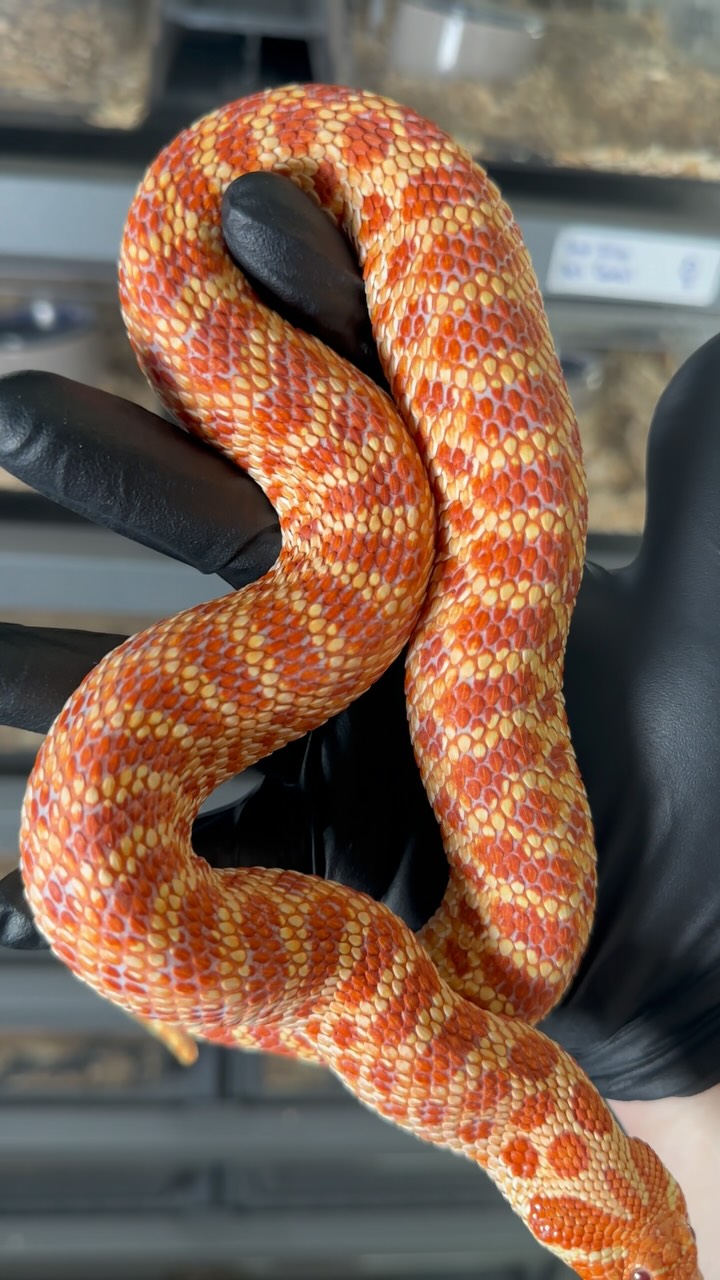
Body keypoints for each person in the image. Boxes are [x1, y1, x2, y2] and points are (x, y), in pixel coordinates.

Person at [0, 173, 718, 1268]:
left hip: (560, 1040)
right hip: (570, 1034)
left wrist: (671, 1056)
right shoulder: (487, 1045)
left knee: (381, 543)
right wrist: (680, 1043)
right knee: (408, 527)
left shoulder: (491, 1047)